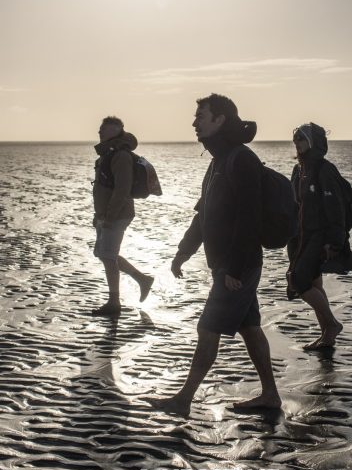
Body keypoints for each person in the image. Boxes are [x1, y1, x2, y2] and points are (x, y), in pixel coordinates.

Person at [152, 94, 281, 417]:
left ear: (220, 119)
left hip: (238, 265)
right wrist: (183, 251)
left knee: (208, 327)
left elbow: (250, 218)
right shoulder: (219, 160)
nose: (194, 122)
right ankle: (270, 395)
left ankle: (183, 399)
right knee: (250, 327)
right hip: (226, 264)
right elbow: (204, 214)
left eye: (201, 116)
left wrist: (233, 269)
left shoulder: (242, 159)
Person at [287, 122, 351, 349]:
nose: (296, 142)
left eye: (302, 138)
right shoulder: (299, 169)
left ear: (314, 142)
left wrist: (335, 241)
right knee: (314, 282)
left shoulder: (325, 170)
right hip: (300, 237)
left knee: (298, 279)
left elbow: (336, 208)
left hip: (320, 237)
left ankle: (332, 325)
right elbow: (294, 205)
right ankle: (327, 335)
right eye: (295, 138)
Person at [92, 116, 154, 316]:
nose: (100, 131)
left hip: (118, 213)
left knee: (108, 256)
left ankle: (114, 303)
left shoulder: (120, 155)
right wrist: (99, 214)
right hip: (108, 213)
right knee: (104, 253)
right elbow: (103, 189)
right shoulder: (108, 153)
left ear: (115, 132)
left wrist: (109, 217)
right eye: (100, 128)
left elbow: (122, 189)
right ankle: (142, 279)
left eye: (105, 128)